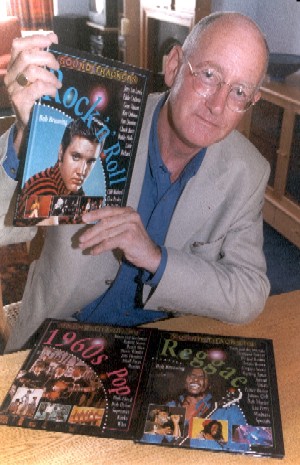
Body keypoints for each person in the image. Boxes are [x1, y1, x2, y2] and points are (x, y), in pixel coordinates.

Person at [0, 12, 270, 353]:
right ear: (173, 66)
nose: (217, 105)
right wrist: (26, 139)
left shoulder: (248, 171)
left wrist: (157, 259)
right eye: (208, 75)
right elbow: (4, 230)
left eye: (239, 91)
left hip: (161, 350)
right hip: (61, 334)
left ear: (251, 102)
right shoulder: (96, 123)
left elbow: (249, 292)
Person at [16, 117, 105, 223]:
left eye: (90, 161)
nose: (82, 171)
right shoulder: (43, 189)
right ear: (61, 152)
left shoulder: (77, 194)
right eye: (76, 157)